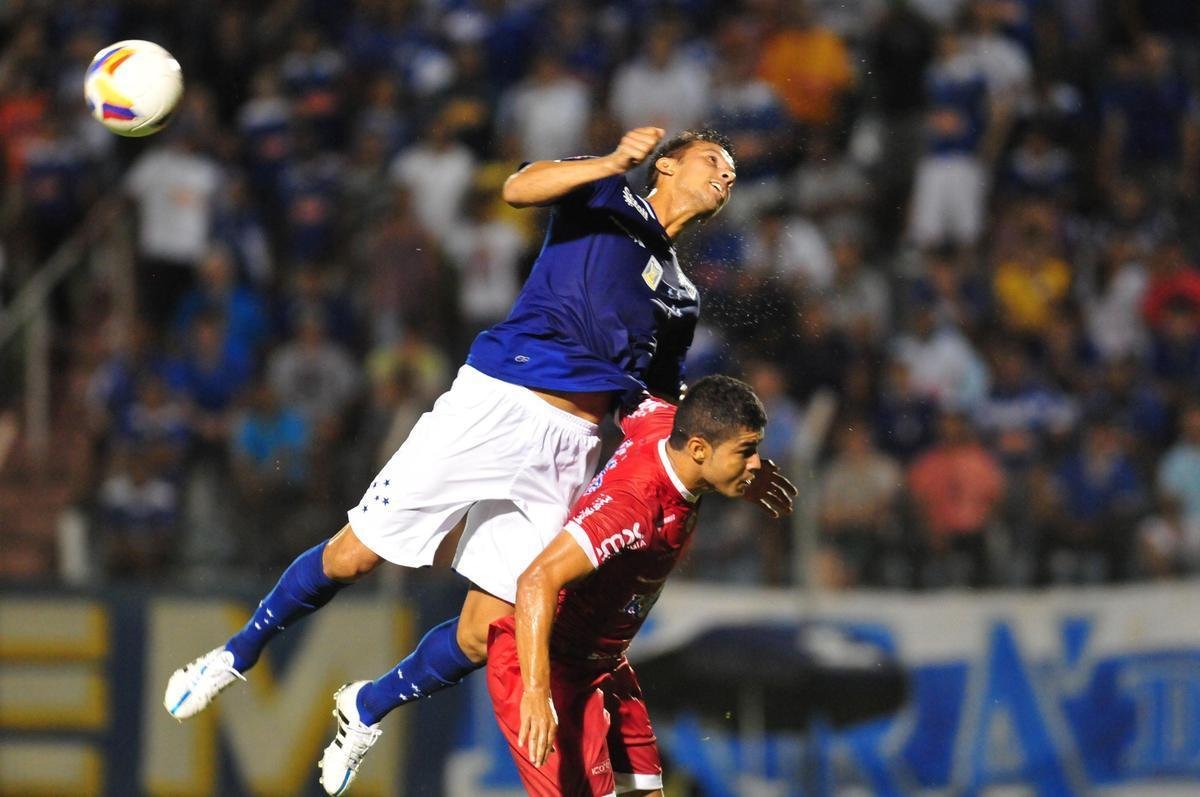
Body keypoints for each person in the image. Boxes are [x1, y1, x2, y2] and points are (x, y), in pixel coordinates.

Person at [163, 125, 741, 775]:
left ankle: (366, 705)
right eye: (713, 161)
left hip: (571, 447)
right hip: (496, 401)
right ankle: (235, 655)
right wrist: (610, 159)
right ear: (666, 166)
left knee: (481, 632)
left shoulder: (682, 294)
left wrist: (719, 450)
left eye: (732, 172)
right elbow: (520, 188)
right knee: (354, 556)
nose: (725, 175)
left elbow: (656, 405)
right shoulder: (605, 190)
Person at [491, 377, 790, 795]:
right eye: (745, 452)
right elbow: (537, 579)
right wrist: (538, 694)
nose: (757, 463)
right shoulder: (633, 506)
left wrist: (738, 475)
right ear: (700, 449)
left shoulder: (666, 422)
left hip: (604, 663)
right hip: (549, 668)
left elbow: (630, 392)